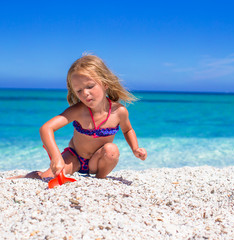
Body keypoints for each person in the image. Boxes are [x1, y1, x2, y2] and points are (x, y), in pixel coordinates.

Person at [11, 54, 147, 180]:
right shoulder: (78, 111)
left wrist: (135, 148)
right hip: (74, 157)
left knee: (111, 150)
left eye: (90, 86)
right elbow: (46, 128)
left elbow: (127, 130)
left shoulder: (119, 112)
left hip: (98, 160)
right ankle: (27, 176)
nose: (85, 93)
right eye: (79, 90)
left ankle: (99, 179)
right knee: (47, 178)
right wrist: (56, 158)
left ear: (105, 84)